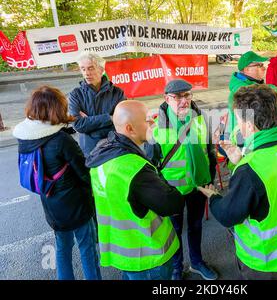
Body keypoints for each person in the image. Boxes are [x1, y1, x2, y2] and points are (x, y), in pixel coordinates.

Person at [198, 84, 277, 280]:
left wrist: (214, 197)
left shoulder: (251, 169)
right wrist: (240, 158)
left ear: (250, 125)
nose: (238, 125)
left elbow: (228, 215)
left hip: (266, 260)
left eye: (239, 120)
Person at [85, 100, 184, 280]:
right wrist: (159, 176)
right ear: (130, 128)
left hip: (121, 254)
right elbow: (173, 204)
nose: (153, 124)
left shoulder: (101, 157)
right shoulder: (134, 169)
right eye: (148, 120)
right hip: (149, 257)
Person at [13, 86, 101, 280]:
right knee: (87, 249)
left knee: (62, 250)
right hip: (76, 205)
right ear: (56, 108)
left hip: (51, 204)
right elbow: (84, 172)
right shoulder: (61, 140)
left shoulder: (25, 138)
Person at [146, 79, 217, 280]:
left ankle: (196, 262)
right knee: (174, 230)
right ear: (166, 99)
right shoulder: (156, 127)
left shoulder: (202, 118)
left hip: (198, 187)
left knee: (195, 226)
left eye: (187, 95)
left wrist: (209, 180)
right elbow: (150, 165)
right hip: (171, 191)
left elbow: (209, 152)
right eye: (177, 97)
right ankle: (177, 267)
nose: (183, 100)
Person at [69, 52, 126, 157]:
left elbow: (122, 121)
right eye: (83, 69)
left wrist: (89, 121)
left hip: (114, 146)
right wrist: (109, 118)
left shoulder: (117, 93)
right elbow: (78, 125)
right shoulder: (75, 95)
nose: (86, 73)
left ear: (101, 69)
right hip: (90, 151)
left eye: (90, 68)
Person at [227, 51, 268, 136]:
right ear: (247, 69)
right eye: (259, 65)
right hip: (245, 136)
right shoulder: (243, 90)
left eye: (263, 65)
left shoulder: (254, 84)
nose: (264, 68)